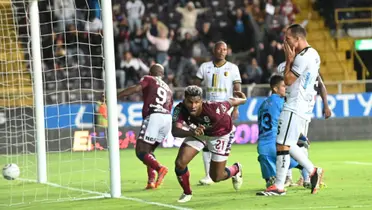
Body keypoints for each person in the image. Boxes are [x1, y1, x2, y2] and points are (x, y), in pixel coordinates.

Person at [257, 24, 324, 196]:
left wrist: (288, 60)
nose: (285, 42)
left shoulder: (301, 58)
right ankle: (312, 170)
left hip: (294, 105)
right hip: (302, 106)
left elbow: (286, 81)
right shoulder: (313, 54)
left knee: (282, 144)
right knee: (289, 143)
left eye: (288, 38)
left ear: (298, 39)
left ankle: (279, 186)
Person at [172, 85, 246, 203]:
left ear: (201, 101)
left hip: (221, 134)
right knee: (180, 163)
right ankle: (187, 193)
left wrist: (243, 100)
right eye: (190, 102)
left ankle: (236, 169)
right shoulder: (179, 109)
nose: (193, 106)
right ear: (184, 99)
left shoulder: (214, 108)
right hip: (198, 132)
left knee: (216, 177)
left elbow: (230, 102)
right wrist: (191, 131)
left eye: (197, 102)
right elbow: (175, 131)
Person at [117, 64, 173, 189]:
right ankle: (151, 181)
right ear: (162, 75)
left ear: (150, 72)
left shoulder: (149, 78)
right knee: (149, 152)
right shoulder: (168, 88)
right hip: (167, 119)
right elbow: (169, 106)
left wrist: (116, 96)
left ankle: (160, 168)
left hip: (154, 116)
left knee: (141, 152)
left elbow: (137, 88)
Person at [276, 61, 331, 188]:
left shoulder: (307, 65)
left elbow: (321, 85)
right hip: (292, 109)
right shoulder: (285, 66)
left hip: (301, 111)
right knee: (288, 143)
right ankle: (298, 176)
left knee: (295, 143)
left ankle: (306, 177)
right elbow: (282, 85)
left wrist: (326, 105)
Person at [194, 41, 242, 185]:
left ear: (227, 52)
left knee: (218, 139)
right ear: (214, 50)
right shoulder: (204, 67)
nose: (222, 51)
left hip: (225, 109)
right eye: (219, 49)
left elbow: (237, 90)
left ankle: (230, 169)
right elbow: (195, 87)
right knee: (207, 140)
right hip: (207, 109)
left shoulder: (233, 68)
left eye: (225, 49)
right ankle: (209, 175)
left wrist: (237, 108)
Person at [257, 75, 306, 188]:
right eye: (284, 86)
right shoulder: (281, 103)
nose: (286, 89)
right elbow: (288, 123)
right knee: (301, 160)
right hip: (275, 143)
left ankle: (272, 178)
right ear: (275, 88)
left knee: (271, 180)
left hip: (262, 146)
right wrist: (301, 136)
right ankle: (310, 176)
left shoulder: (263, 104)